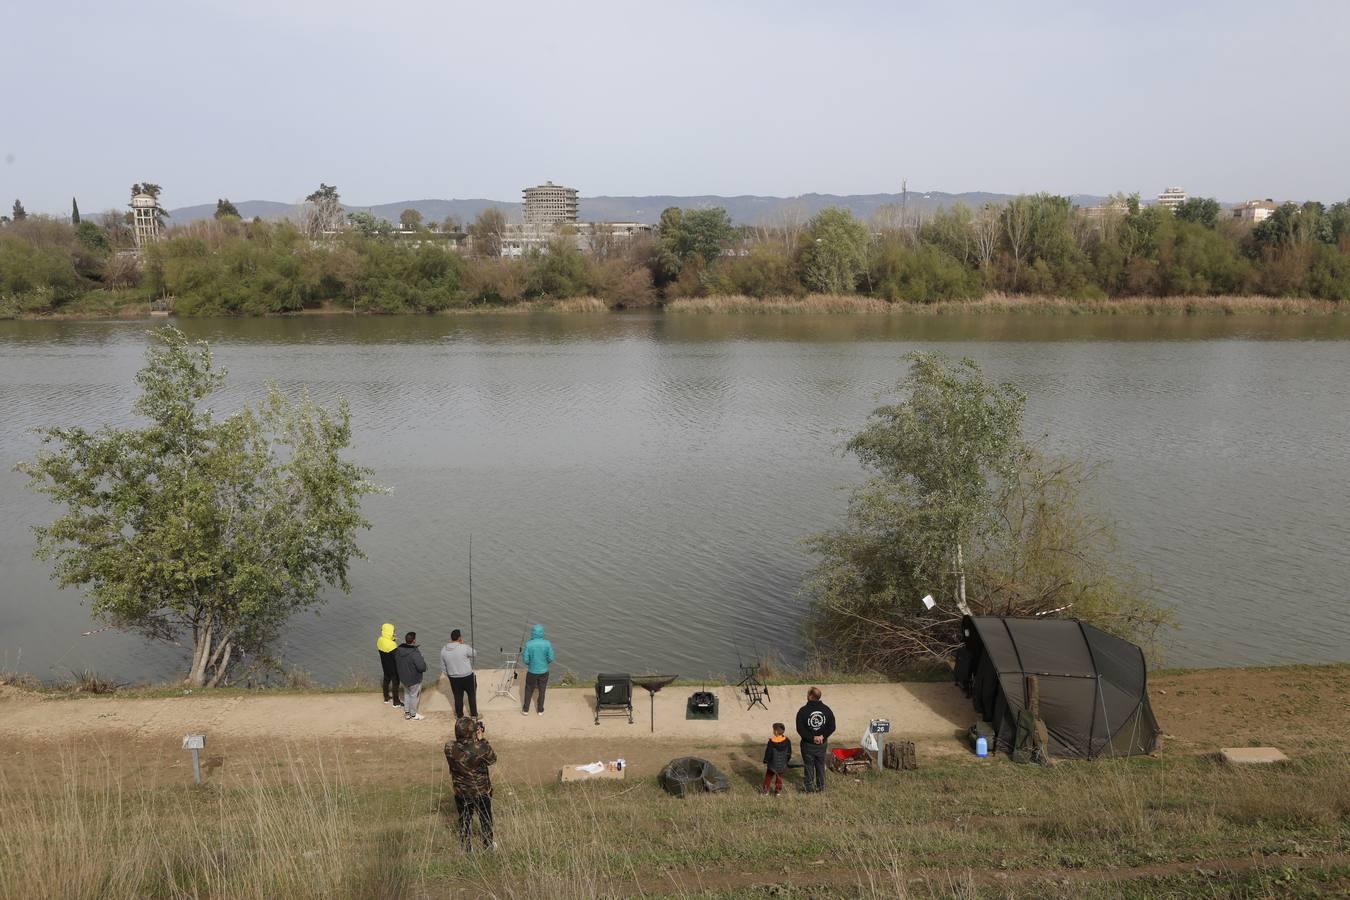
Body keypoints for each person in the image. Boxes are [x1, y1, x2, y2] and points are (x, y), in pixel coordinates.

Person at [444, 716, 497, 852]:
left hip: (461, 792)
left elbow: (461, 747)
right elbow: (492, 759)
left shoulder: (449, 747)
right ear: (472, 732)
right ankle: (488, 845)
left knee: (464, 819)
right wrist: (481, 739)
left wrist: (473, 738)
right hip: (481, 791)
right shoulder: (481, 748)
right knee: (485, 818)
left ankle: (467, 848)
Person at [795, 686, 836, 793]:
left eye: (808, 694)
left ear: (810, 696)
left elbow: (800, 729)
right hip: (822, 745)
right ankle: (821, 787)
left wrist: (812, 738)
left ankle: (809, 788)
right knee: (820, 765)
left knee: (809, 765)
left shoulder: (803, 711)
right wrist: (823, 736)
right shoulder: (826, 710)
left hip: (808, 744)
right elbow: (832, 727)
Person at [441, 628, 478, 719]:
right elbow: (474, 653)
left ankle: (459, 716)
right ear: (460, 637)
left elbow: (443, 667)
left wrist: (449, 675)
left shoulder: (444, 650)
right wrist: (463, 644)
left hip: (453, 678)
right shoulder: (464, 647)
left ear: (451, 638)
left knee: (458, 697)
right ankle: (474, 715)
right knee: (472, 695)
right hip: (468, 676)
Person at [520, 624, 555, 716]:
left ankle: (526, 710)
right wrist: (544, 663)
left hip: (532, 671)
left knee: (528, 689)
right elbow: (551, 658)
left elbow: (525, 660)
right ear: (542, 633)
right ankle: (540, 710)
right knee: (542, 690)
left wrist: (531, 664)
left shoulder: (528, 644)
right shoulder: (547, 643)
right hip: (544, 671)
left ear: (533, 633)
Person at [394, 631, 427, 721]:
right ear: (414, 640)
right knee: (414, 696)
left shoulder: (398, 650)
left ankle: (407, 713)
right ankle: (413, 715)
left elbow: (398, 663)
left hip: (404, 678)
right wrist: (422, 659)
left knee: (407, 694)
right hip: (414, 679)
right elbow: (421, 667)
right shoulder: (415, 652)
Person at [762, 722, 792, 796]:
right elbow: (789, 753)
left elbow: (768, 753)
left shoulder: (771, 742)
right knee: (779, 778)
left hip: (772, 764)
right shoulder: (787, 741)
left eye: (773, 730)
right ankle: (778, 791)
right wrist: (786, 761)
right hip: (782, 764)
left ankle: (766, 791)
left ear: (775, 731)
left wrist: (765, 760)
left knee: (768, 777)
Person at [377, 623, 403, 709]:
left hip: (384, 664)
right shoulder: (392, 645)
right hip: (393, 666)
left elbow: (385, 648)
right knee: (395, 682)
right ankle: (396, 702)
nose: (394, 632)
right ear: (389, 632)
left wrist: (392, 639)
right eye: (393, 631)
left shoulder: (379, 640)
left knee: (386, 679)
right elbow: (396, 657)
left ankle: (386, 697)